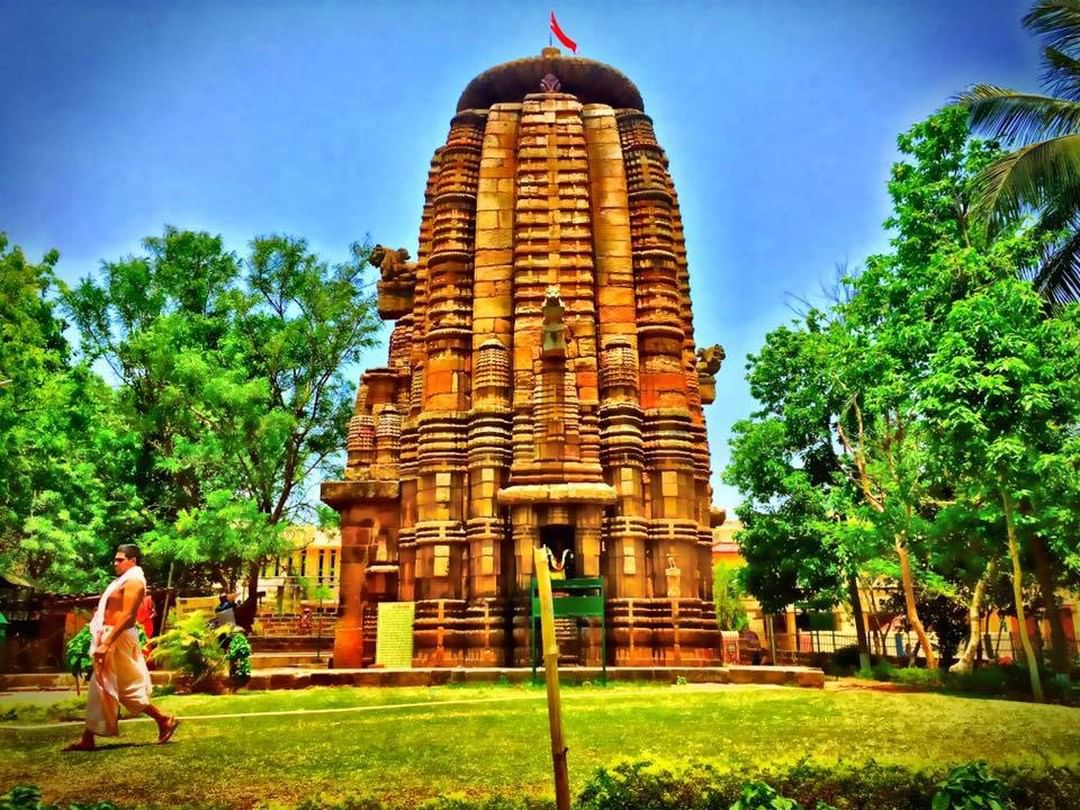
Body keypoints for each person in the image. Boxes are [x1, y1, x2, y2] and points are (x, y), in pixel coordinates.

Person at [63, 545, 179, 752]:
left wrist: (107, 642)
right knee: (103, 684)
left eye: (120, 560)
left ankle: (164, 719)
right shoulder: (121, 581)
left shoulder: (134, 581)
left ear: (133, 561)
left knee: (111, 685)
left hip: (117, 638)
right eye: (115, 560)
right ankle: (89, 737)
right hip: (109, 635)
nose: (115, 563)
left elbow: (128, 616)